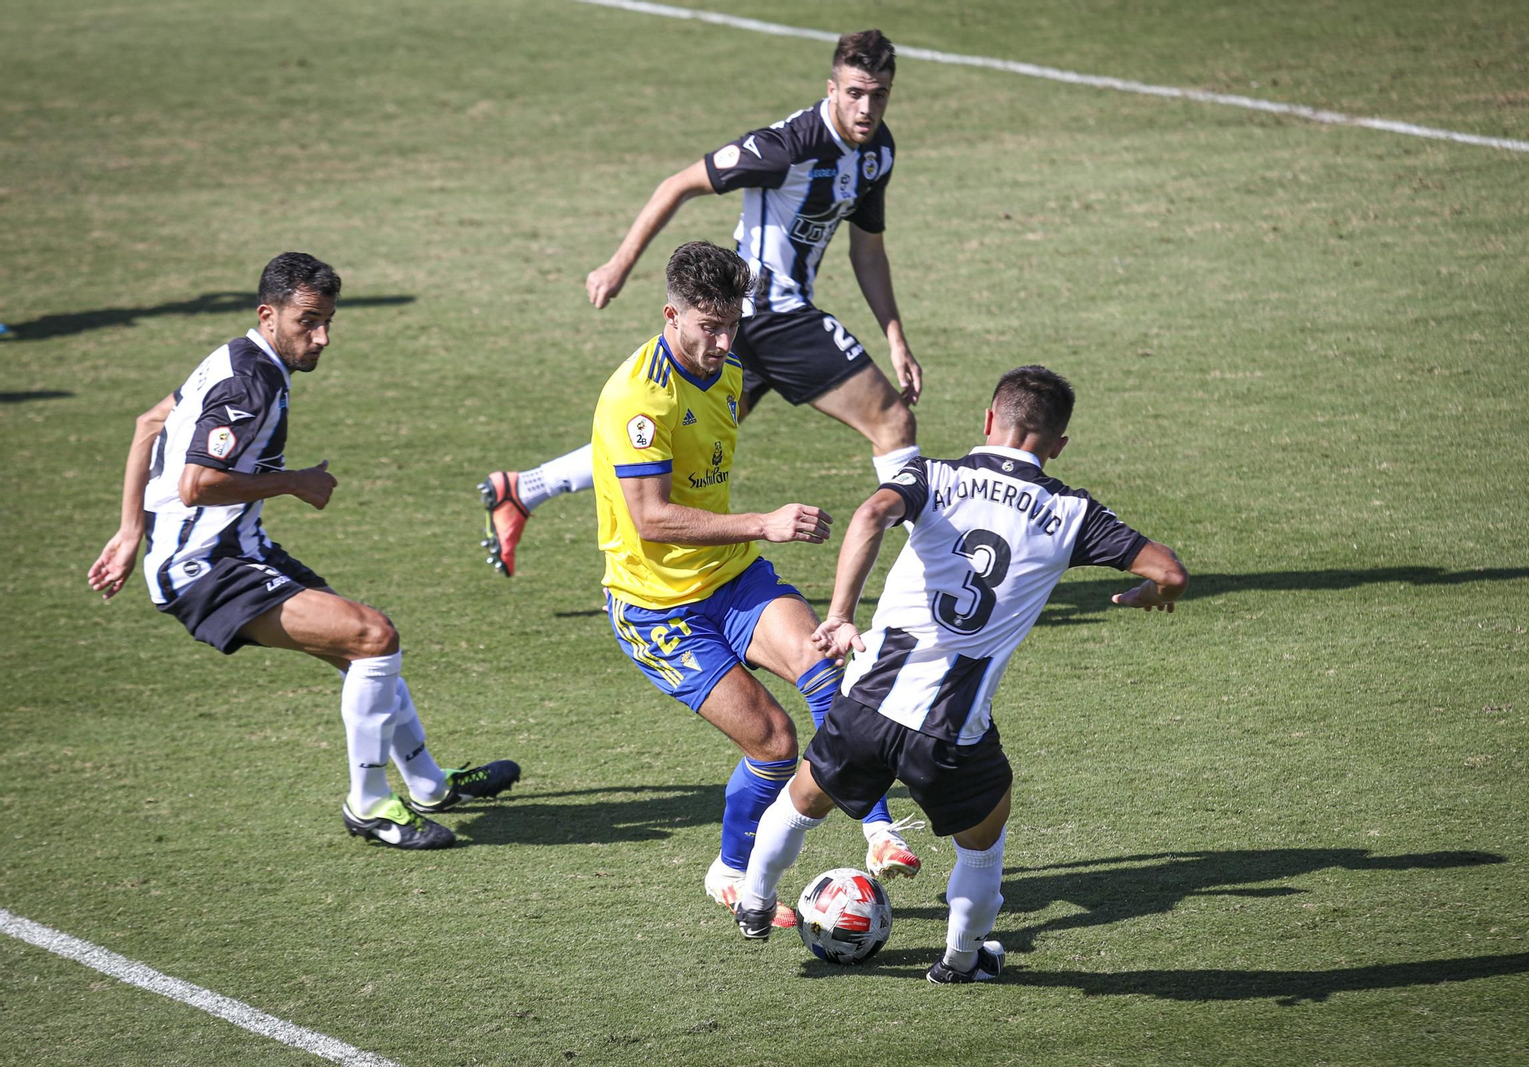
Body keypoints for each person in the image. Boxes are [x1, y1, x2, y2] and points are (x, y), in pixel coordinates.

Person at [729, 365, 1190, 983]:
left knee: (802, 800)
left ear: (988, 420)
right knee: (983, 843)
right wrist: (1150, 593)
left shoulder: (936, 476)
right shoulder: (1073, 513)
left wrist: (840, 616)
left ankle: (755, 905)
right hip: (951, 731)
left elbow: (869, 516)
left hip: (868, 700)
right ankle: (961, 960)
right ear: (1057, 446)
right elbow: (1171, 572)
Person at [87, 252, 520, 850]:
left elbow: (148, 424)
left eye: (328, 323)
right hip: (205, 569)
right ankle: (369, 806)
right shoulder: (251, 380)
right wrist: (294, 480)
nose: (321, 338)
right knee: (372, 637)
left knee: (364, 653)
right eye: (307, 322)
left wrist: (131, 531)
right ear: (269, 316)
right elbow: (196, 483)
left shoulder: (237, 358)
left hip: (241, 549)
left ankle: (427, 785)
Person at [480, 28, 922, 580]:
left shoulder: (878, 150)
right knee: (892, 421)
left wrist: (896, 337)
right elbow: (677, 184)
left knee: (675, 441)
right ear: (831, 87)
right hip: (767, 311)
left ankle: (523, 489)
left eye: (879, 94)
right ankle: (931, 574)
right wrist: (618, 265)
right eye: (855, 92)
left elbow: (868, 249)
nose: (867, 106)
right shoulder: (786, 148)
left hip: (748, 326)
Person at [592, 242, 922, 925]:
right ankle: (731, 870)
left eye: (731, 325)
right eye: (706, 327)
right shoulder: (639, 396)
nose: (720, 342)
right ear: (670, 315)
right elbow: (650, 519)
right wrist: (763, 523)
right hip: (658, 610)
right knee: (773, 743)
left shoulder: (733, 370)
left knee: (827, 662)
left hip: (731, 577)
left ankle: (881, 832)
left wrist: (748, 536)